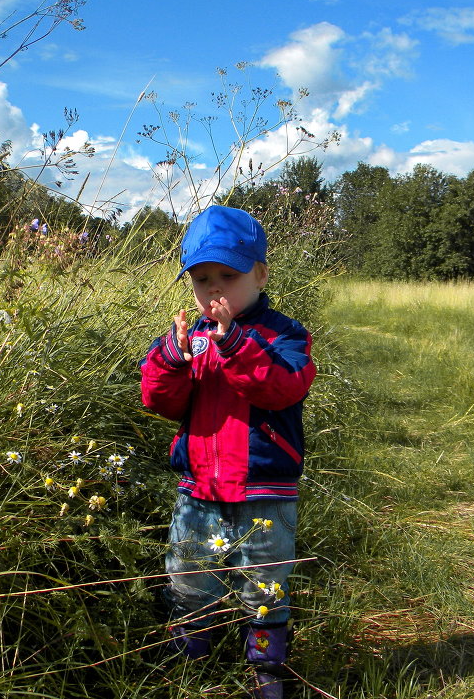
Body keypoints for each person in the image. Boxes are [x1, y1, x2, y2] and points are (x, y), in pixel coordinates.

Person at [140, 205, 315, 698]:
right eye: (202, 279)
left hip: (265, 486)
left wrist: (235, 344)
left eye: (228, 276)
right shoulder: (188, 338)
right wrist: (171, 359)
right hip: (199, 486)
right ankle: (189, 656)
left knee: (265, 580)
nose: (213, 290)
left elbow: (283, 389)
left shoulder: (285, 335)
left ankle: (267, 667)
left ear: (260, 274)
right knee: (189, 571)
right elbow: (159, 401)